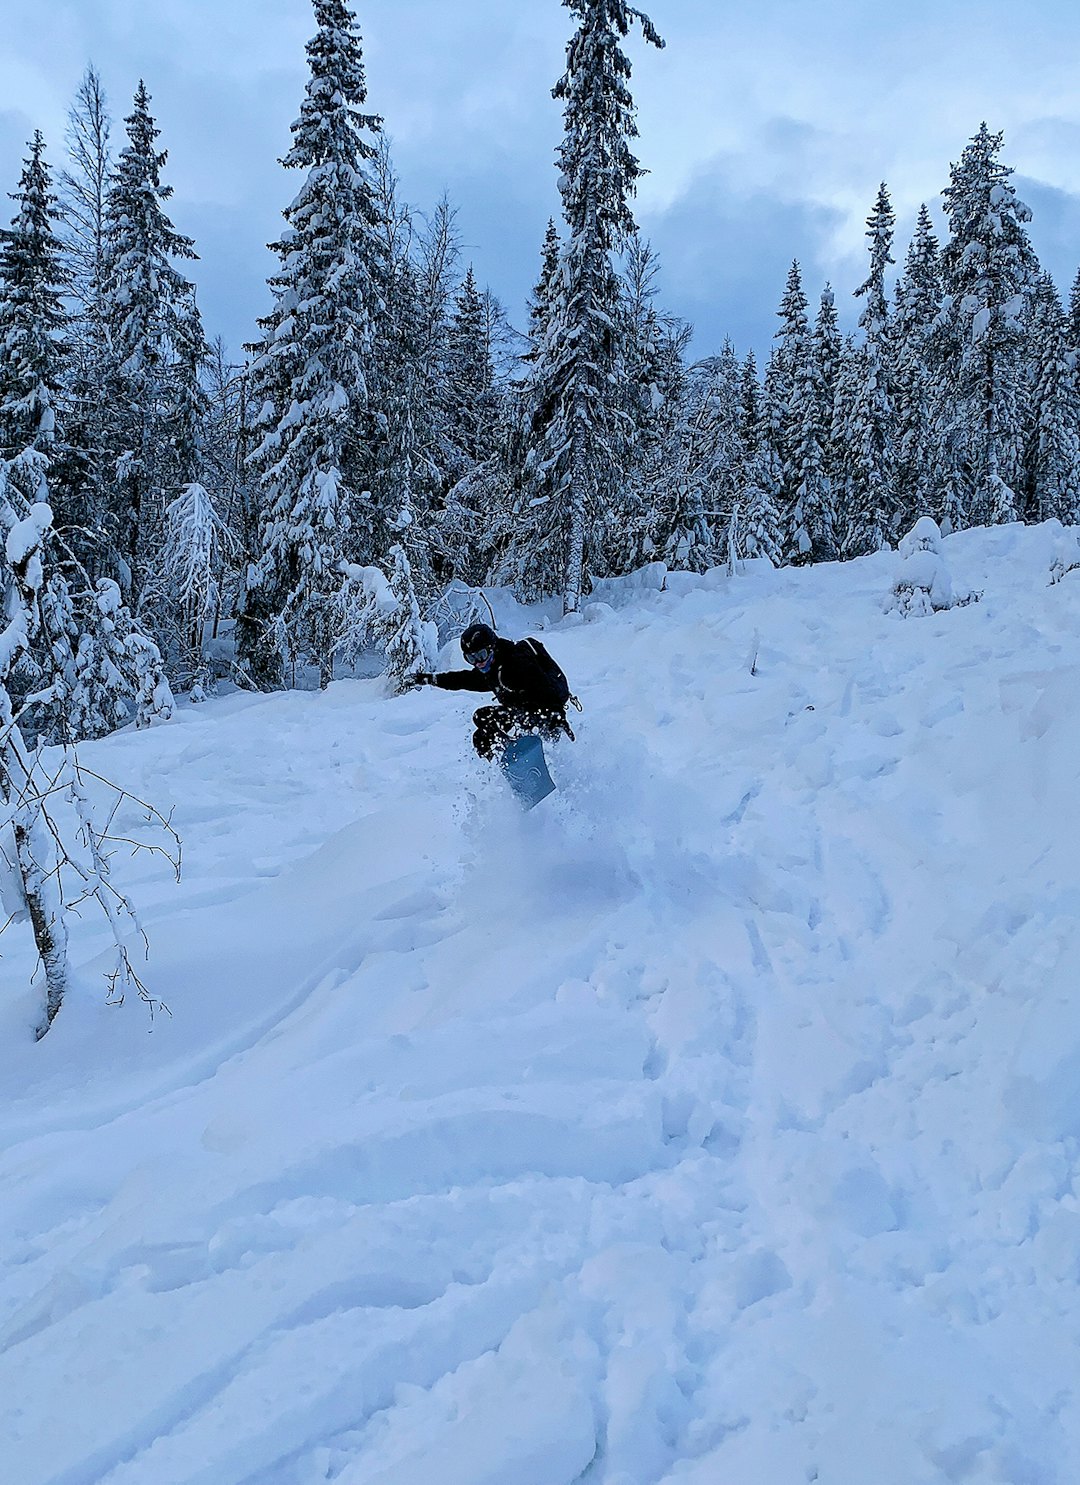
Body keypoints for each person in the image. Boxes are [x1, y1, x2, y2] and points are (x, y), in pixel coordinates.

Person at [406, 622, 575, 760]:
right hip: (522, 712)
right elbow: (462, 679)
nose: (478, 662)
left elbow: (545, 689)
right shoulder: (492, 670)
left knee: (485, 732)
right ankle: (507, 762)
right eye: (471, 658)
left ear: (492, 647)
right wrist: (428, 679)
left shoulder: (517, 663)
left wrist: (557, 717)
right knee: (481, 724)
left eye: (481, 655)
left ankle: (524, 756)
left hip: (544, 715)